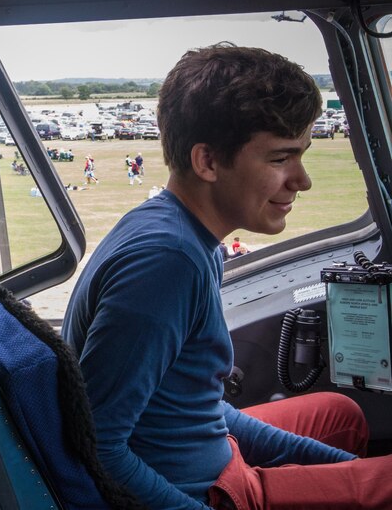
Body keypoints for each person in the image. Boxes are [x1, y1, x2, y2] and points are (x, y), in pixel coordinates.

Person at [62, 43, 392, 509]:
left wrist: (336, 467)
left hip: (212, 453)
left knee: (341, 414)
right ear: (209, 162)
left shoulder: (182, 230)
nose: (302, 180)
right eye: (280, 159)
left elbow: (195, 405)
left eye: (302, 155)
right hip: (206, 491)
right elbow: (97, 445)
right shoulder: (167, 263)